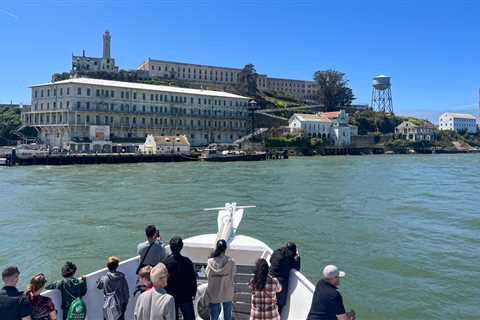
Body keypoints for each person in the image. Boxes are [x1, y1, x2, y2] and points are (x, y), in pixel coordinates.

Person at [164, 236, 197, 320]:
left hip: (170, 296)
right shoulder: (187, 262)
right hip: (185, 295)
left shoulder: (165, 263)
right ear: (181, 247)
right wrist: (193, 292)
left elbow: (163, 280)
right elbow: (192, 279)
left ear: (170, 247)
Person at [206, 239, 236, 320]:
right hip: (227, 291)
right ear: (225, 248)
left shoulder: (210, 262)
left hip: (214, 292)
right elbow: (233, 275)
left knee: (214, 316)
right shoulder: (231, 262)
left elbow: (207, 275)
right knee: (227, 316)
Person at [269, 242, 300, 314]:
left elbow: (271, 260)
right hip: (281, 280)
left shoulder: (277, 252)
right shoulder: (289, 259)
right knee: (280, 303)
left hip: (270, 277)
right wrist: (298, 257)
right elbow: (297, 268)